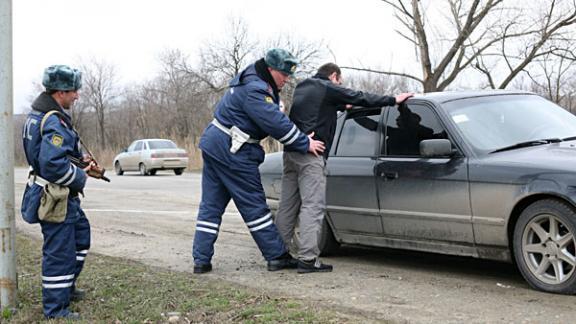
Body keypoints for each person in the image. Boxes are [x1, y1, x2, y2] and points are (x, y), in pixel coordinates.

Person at [192, 49, 325, 274]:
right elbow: (275, 123)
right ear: (271, 69)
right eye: (283, 74)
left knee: (211, 207)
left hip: (216, 144)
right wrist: (305, 143)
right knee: (255, 207)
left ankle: (201, 260)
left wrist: (276, 109)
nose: (286, 79)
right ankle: (276, 256)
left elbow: (265, 116)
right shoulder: (256, 90)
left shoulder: (250, 80)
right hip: (233, 150)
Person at [275, 63, 413, 273]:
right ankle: (308, 259)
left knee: (288, 205)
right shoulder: (327, 87)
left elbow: (318, 110)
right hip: (312, 154)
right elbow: (359, 96)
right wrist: (393, 100)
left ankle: (278, 256)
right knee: (313, 206)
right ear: (334, 76)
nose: (340, 85)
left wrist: (340, 106)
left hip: (291, 153)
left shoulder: (303, 87)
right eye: (340, 82)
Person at [21, 65, 100, 319]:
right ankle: (56, 310)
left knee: (80, 238)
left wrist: (81, 159)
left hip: (63, 198)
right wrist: (81, 176)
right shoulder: (52, 119)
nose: (76, 96)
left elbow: (57, 155)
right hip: (56, 198)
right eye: (73, 91)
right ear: (60, 92)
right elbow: (52, 165)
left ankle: (67, 288)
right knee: (59, 252)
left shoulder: (41, 115)